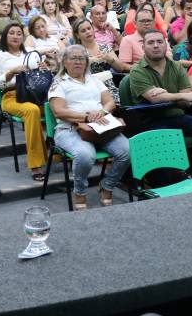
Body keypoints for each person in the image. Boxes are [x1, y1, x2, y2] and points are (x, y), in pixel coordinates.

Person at [48, 46, 130, 209]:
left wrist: (101, 112)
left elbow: (110, 102)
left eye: (82, 58)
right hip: (69, 130)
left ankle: (107, 185)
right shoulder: (59, 83)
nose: (78, 61)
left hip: (99, 127)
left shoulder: (94, 80)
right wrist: (86, 117)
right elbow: (58, 111)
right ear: (65, 62)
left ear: (86, 62)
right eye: (73, 58)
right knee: (85, 155)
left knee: (126, 151)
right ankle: (79, 192)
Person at [0, 23, 49, 181]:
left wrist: (43, 67)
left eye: (19, 33)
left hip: (34, 94)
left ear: (23, 37)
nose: (15, 36)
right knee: (32, 110)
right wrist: (11, 72)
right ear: (5, 36)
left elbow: (41, 77)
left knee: (55, 106)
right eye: (11, 33)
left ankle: (57, 152)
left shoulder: (30, 52)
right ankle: (36, 164)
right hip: (11, 96)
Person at [129, 29, 192, 134]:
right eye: (150, 42)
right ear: (143, 47)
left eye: (160, 42)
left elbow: (187, 101)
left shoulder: (177, 66)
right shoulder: (137, 71)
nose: (156, 45)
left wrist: (165, 95)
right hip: (152, 120)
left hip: (179, 116)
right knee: (169, 140)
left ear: (166, 45)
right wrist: (181, 96)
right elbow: (155, 98)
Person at [74, 19, 125, 103]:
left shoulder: (105, 47)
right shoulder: (76, 51)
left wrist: (109, 58)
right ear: (77, 35)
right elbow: (74, 73)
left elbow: (120, 68)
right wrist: (90, 60)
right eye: (83, 31)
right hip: (86, 88)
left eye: (89, 28)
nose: (87, 32)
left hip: (108, 87)